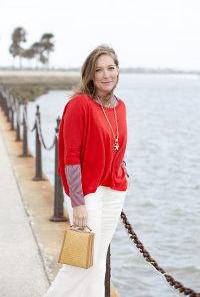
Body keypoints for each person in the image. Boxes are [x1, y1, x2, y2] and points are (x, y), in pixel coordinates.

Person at [43, 44, 129, 297]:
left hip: (113, 191)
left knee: (98, 262)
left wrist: (121, 170)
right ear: (90, 75)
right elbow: (70, 157)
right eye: (99, 70)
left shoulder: (120, 106)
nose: (106, 75)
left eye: (111, 68)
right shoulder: (79, 105)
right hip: (87, 193)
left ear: (117, 70)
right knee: (80, 264)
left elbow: (116, 146)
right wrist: (77, 202)